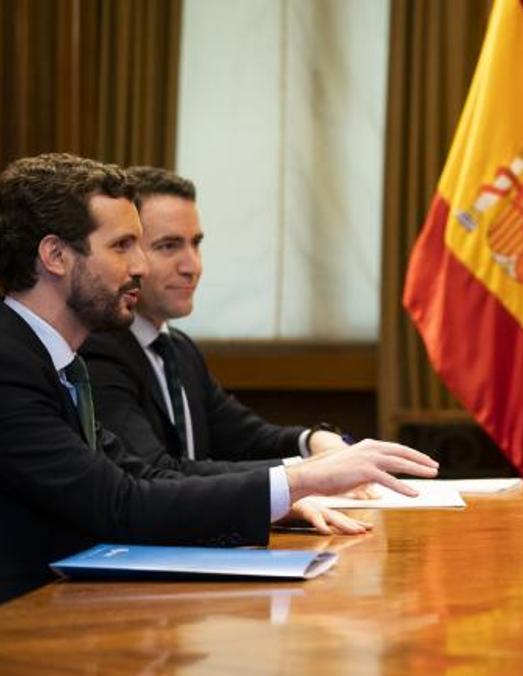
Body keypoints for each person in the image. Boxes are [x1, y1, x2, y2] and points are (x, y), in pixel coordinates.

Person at [0, 153, 438, 619]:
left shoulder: (52, 359)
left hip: (63, 612)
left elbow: (140, 475)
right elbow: (121, 505)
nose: (139, 266)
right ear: (55, 256)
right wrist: (299, 481)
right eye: (122, 246)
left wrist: (287, 492)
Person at [79, 167, 368, 535]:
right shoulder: (97, 352)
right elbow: (158, 471)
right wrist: (304, 477)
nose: (192, 266)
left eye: (196, 243)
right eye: (168, 246)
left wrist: (313, 442)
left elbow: (245, 437)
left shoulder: (178, 349)